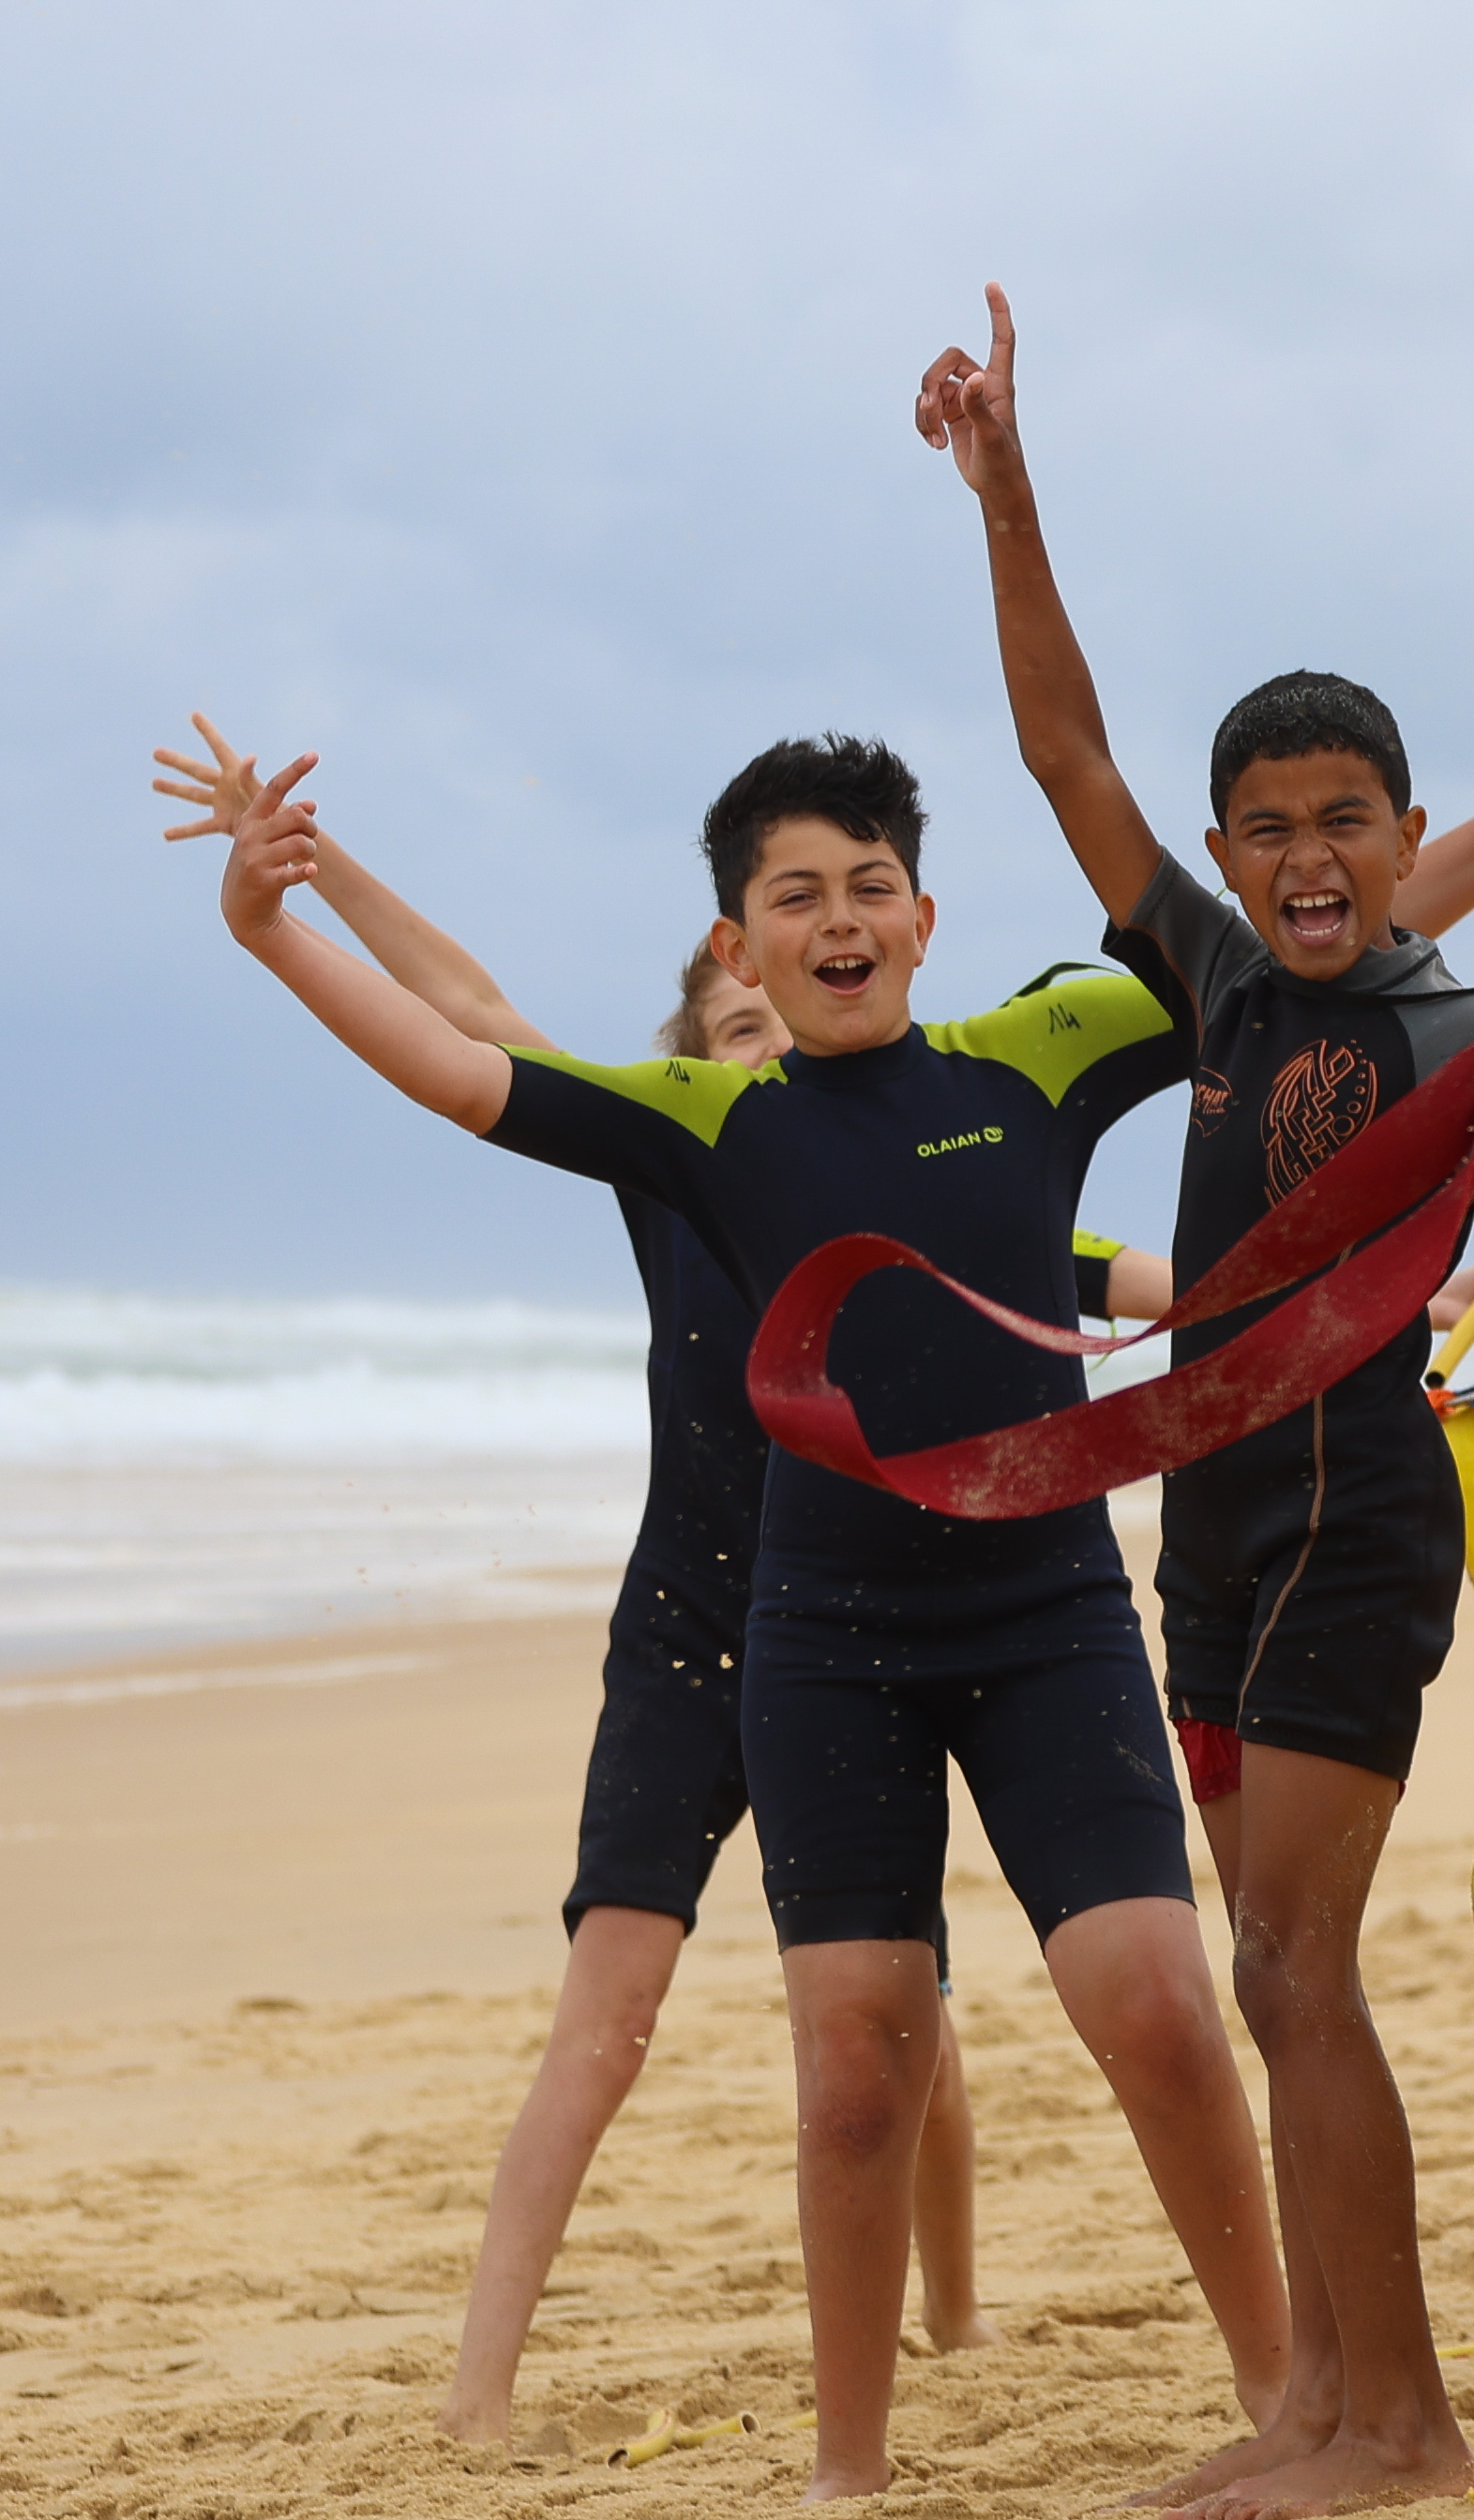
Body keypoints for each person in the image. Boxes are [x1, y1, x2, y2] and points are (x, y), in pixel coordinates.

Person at [201, 726, 1282, 2499]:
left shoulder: (1025, 1067)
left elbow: (1275, 958)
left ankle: (1262, 2391)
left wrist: (1459, 865)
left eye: (870, 890)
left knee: (1148, 2001)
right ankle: (841, 2471)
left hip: (1041, 1607)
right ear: (735, 948)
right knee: (854, 2058)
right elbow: (460, 1051)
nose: (836, 928)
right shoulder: (694, 1129)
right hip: (787, 1627)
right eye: (797, 900)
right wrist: (277, 926)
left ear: (923, 918)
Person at [917, 286, 1474, 2518]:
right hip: (1219, 1528)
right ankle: (1319, 2403)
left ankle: (1411, 2430)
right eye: (1268, 829)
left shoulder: (1467, 1047)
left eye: (1346, 818)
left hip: (1362, 1527)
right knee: (1272, 1985)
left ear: (1407, 823)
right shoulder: (1225, 981)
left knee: (1290, 1960)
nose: (1306, 858)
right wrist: (1010, 492)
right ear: (1239, 857)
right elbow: (1069, 757)